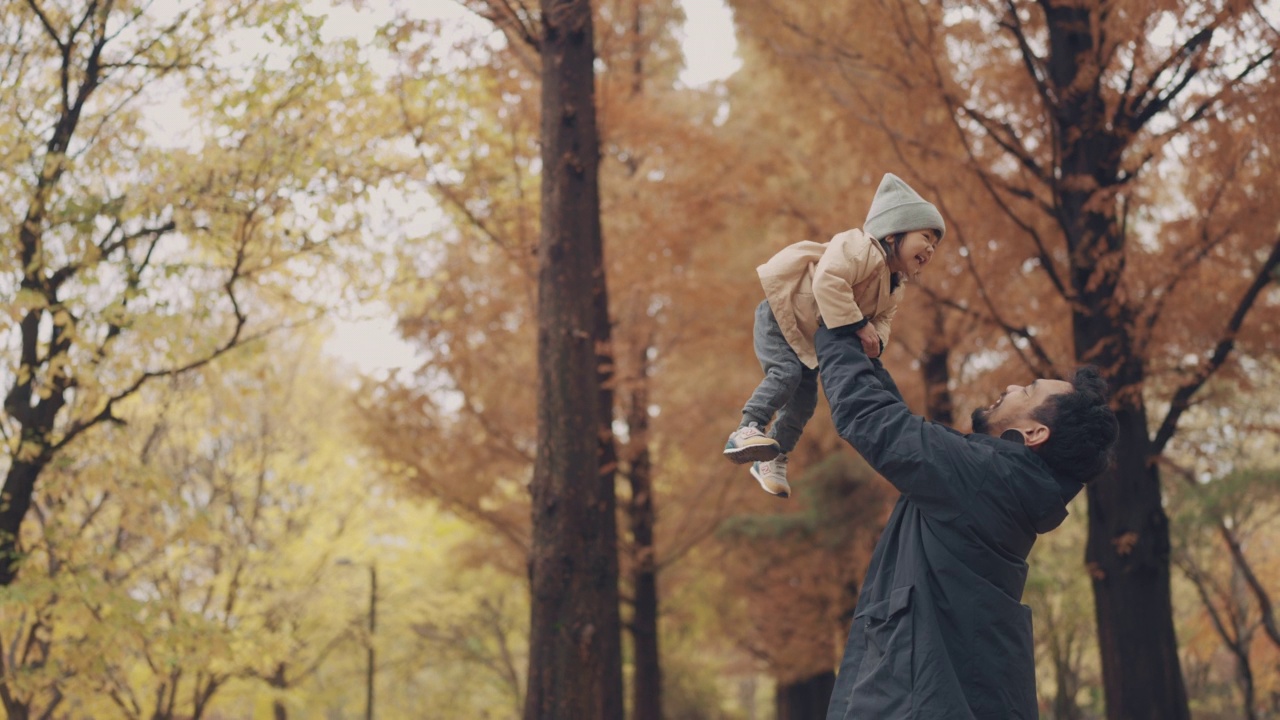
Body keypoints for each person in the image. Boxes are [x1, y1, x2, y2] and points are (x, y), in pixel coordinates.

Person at [813, 323, 1119, 720]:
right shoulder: (1002, 486)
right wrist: (868, 359)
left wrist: (833, 327)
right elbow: (906, 433)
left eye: (1026, 392)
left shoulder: (983, 477)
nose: (1010, 388)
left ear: (1034, 432)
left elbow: (873, 421)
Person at [723, 173, 945, 498]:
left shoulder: (894, 286)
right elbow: (827, 280)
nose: (930, 248)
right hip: (781, 315)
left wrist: (875, 342)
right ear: (894, 232)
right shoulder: (859, 247)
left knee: (805, 400)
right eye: (925, 236)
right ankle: (747, 429)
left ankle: (773, 457)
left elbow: (882, 321)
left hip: (808, 335)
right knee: (784, 374)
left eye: (935, 245)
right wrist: (858, 325)